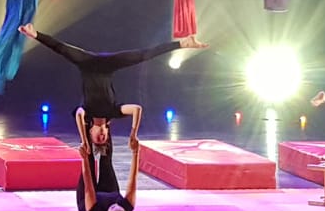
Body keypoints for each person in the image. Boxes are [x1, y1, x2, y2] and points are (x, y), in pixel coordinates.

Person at [19, 23, 207, 143]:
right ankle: (182, 43)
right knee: (143, 55)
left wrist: (84, 141)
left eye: (97, 137)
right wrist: (133, 134)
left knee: (61, 49)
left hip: (87, 64)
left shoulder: (86, 114)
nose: (101, 135)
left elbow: (79, 114)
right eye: (104, 138)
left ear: (91, 132)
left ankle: (34, 33)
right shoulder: (113, 112)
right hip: (108, 66)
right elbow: (137, 109)